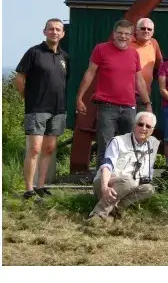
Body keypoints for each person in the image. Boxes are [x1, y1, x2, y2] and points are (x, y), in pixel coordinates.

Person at [76, 19, 152, 169]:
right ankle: (102, 184)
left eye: (126, 34)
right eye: (119, 33)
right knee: (105, 146)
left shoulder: (134, 54)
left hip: (130, 107)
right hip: (107, 107)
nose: (123, 36)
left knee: (129, 146)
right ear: (113, 34)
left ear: (131, 37)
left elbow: (140, 81)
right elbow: (90, 74)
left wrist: (148, 104)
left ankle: (125, 183)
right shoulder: (101, 49)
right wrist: (79, 98)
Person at [15, 18, 69, 200]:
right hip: (37, 108)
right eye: (51, 29)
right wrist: (27, 98)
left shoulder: (64, 56)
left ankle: (41, 186)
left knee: (49, 149)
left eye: (58, 29)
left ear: (63, 34)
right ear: (44, 32)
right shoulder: (33, 52)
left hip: (58, 109)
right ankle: (28, 189)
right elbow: (20, 78)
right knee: (35, 149)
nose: (54, 32)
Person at [88, 112, 160, 221]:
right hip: (107, 182)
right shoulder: (118, 141)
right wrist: (104, 187)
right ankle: (98, 214)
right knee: (128, 181)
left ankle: (114, 211)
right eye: (140, 124)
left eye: (148, 126)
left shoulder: (153, 143)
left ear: (152, 130)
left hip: (130, 187)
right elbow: (107, 166)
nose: (144, 128)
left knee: (149, 189)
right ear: (134, 125)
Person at [129, 18, 164, 112]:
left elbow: (159, 65)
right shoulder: (127, 42)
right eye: (143, 28)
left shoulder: (154, 43)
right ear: (136, 30)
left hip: (144, 95)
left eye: (149, 29)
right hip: (127, 94)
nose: (146, 31)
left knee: (143, 125)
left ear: (153, 32)